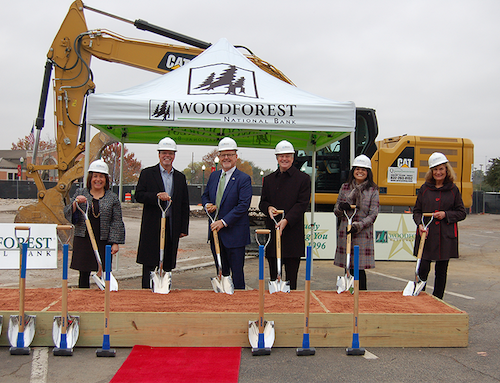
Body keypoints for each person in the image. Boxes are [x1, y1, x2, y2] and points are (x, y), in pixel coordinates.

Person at [135, 137, 190, 289]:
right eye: (164, 153)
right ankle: (146, 291)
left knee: (167, 262)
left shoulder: (180, 177)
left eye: (171, 153)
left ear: (174, 155)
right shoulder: (147, 173)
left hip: (172, 226)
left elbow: (184, 203)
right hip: (152, 226)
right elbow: (138, 195)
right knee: (149, 262)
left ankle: (164, 290)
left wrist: (183, 228)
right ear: (159, 154)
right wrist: (156, 196)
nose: (168, 156)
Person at [64, 159, 125, 288]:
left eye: (101, 176)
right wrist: (76, 203)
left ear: (106, 179)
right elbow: (68, 213)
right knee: (84, 271)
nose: (98, 180)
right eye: (95, 176)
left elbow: (117, 221)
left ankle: (105, 298)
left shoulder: (112, 197)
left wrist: (115, 242)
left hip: (104, 239)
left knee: (104, 269)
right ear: (90, 178)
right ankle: (83, 296)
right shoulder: (81, 193)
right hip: (84, 238)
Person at [413, 152, 466, 299]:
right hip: (427, 236)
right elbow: (417, 211)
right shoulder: (425, 188)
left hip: (445, 236)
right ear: (431, 171)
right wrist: (419, 224)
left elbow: (461, 213)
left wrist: (446, 215)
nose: (438, 172)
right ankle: (420, 298)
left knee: (441, 271)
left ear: (446, 170)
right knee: (423, 268)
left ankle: (438, 300)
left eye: (441, 169)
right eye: (435, 169)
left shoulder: (453, 189)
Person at [259, 140, 311, 290]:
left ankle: (291, 307)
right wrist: (268, 208)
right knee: (274, 277)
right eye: (281, 156)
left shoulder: (303, 179)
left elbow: (302, 204)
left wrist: (286, 220)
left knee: (291, 279)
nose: (284, 159)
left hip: (292, 235)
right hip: (273, 234)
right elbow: (262, 202)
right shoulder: (268, 180)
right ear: (277, 158)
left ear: (293, 158)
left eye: (287, 156)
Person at [201, 137, 252, 290]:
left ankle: (239, 305)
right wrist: (207, 205)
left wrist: (223, 222)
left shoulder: (244, 179)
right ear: (219, 157)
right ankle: (223, 303)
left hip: (234, 235)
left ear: (236, 157)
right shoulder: (214, 176)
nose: (226, 158)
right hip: (216, 235)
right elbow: (205, 196)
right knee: (221, 272)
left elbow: (243, 206)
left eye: (230, 154)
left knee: (237, 275)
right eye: (223, 155)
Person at [334, 154, 379, 290]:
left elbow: (373, 214)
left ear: (368, 172)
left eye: (363, 169)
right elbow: (336, 210)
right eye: (357, 169)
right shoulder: (345, 188)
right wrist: (341, 208)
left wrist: (358, 226)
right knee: (348, 264)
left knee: (359, 268)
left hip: (362, 233)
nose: (360, 172)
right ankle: (348, 291)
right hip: (346, 231)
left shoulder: (372, 190)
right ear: (353, 171)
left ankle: (362, 295)